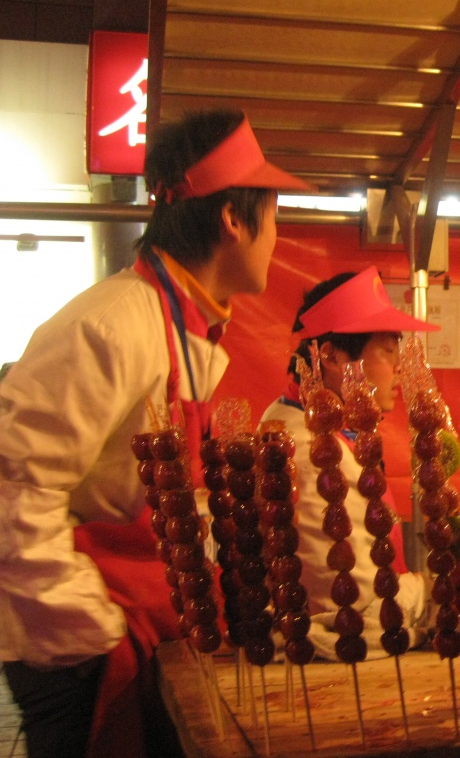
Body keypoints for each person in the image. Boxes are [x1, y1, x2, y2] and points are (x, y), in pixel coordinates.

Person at [0, 109, 311, 757]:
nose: (277, 237)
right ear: (232, 219)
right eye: (274, 214)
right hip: (76, 648)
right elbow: (13, 486)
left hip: (138, 620)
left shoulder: (188, 326)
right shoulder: (112, 325)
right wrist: (89, 629)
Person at [259, 267, 438, 658]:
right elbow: (364, 611)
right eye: (388, 351)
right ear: (331, 356)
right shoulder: (310, 450)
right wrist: (426, 590)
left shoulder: (315, 423)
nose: (400, 368)